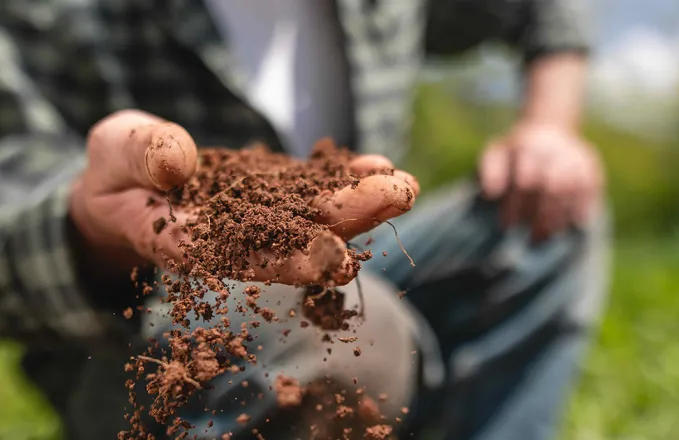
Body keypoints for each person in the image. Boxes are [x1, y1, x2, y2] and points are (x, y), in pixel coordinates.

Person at [0, 1, 609, 439]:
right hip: (143, 316)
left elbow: (539, 10)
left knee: (546, 213)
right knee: (352, 337)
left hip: (360, 254)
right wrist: (91, 223)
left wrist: (549, 127)